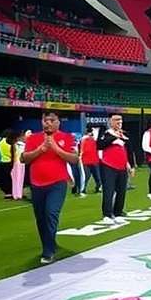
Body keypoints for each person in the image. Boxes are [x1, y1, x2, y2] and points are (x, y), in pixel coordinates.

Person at [21, 112, 78, 264]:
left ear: (58, 122)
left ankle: (48, 251)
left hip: (57, 183)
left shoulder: (68, 137)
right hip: (36, 183)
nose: (48, 123)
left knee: (51, 213)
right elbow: (24, 158)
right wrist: (41, 149)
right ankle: (49, 243)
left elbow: (74, 159)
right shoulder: (33, 138)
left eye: (52, 120)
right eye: (45, 120)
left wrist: (56, 148)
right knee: (40, 218)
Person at [98, 114, 135, 224]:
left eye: (120, 120)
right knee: (108, 190)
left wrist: (131, 166)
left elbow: (129, 151)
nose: (119, 122)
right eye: (116, 120)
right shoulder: (106, 133)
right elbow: (100, 145)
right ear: (110, 121)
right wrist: (114, 138)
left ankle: (118, 213)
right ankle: (107, 214)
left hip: (122, 166)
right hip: (108, 165)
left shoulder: (124, 134)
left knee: (121, 191)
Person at [79, 128, 101, 196]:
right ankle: (82, 190)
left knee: (97, 176)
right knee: (86, 176)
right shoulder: (84, 139)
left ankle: (98, 188)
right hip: (86, 161)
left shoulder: (94, 139)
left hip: (94, 160)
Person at [11, 131, 30, 201]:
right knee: (18, 179)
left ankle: (18, 194)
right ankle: (17, 194)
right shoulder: (17, 144)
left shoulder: (18, 144)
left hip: (19, 163)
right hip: (18, 163)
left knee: (18, 179)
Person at [0, 131, 13, 198]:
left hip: (2, 161)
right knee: (10, 178)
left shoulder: (0, 142)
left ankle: (7, 192)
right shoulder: (8, 142)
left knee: (4, 178)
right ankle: (11, 192)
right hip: (9, 161)